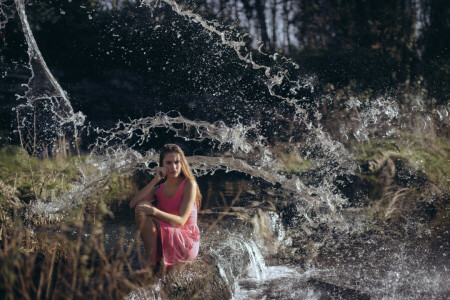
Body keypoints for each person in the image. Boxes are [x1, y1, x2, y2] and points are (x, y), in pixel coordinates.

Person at [130, 144, 201, 270]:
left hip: (186, 241)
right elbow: (133, 203)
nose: (173, 167)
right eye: (168, 163)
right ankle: (153, 261)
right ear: (162, 165)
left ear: (182, 163)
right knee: (141, 206)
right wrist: (155, 180)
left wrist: (153, 211)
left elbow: (181, 221)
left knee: (147, 212)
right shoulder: (160, 188)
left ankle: (151, 264)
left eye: (177, 162)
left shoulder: (189, 184)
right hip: (169, 233)